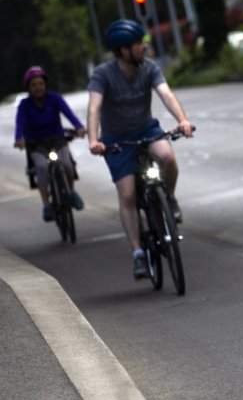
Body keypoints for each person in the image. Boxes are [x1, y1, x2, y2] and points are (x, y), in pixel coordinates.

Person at [87, 19, 193, 280]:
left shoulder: (149, 68)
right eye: (138, 44)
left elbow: (166, 94)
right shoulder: (103, 74)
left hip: (146, 129)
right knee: (127, 195)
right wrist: (93, 139)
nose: (144, 47)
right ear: (123, 50)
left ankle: (169, 199)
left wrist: (182, 120)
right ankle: (137, 255)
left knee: (167, 157)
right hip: (116, 140)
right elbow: (94, 108)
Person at [14, 66, 86, 222]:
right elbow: (19, 123)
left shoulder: (55, 98)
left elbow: (69, 114)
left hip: (58, 140)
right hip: (36, 144)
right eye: (33, 85)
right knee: (41, 167)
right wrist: (19, 138)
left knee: (67, 164)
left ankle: (72, 192)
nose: (38, 87)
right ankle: (47, 205)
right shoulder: (24, 105)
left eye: (40, 83)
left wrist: (79, 127)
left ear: (45, 84)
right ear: (28, 87)